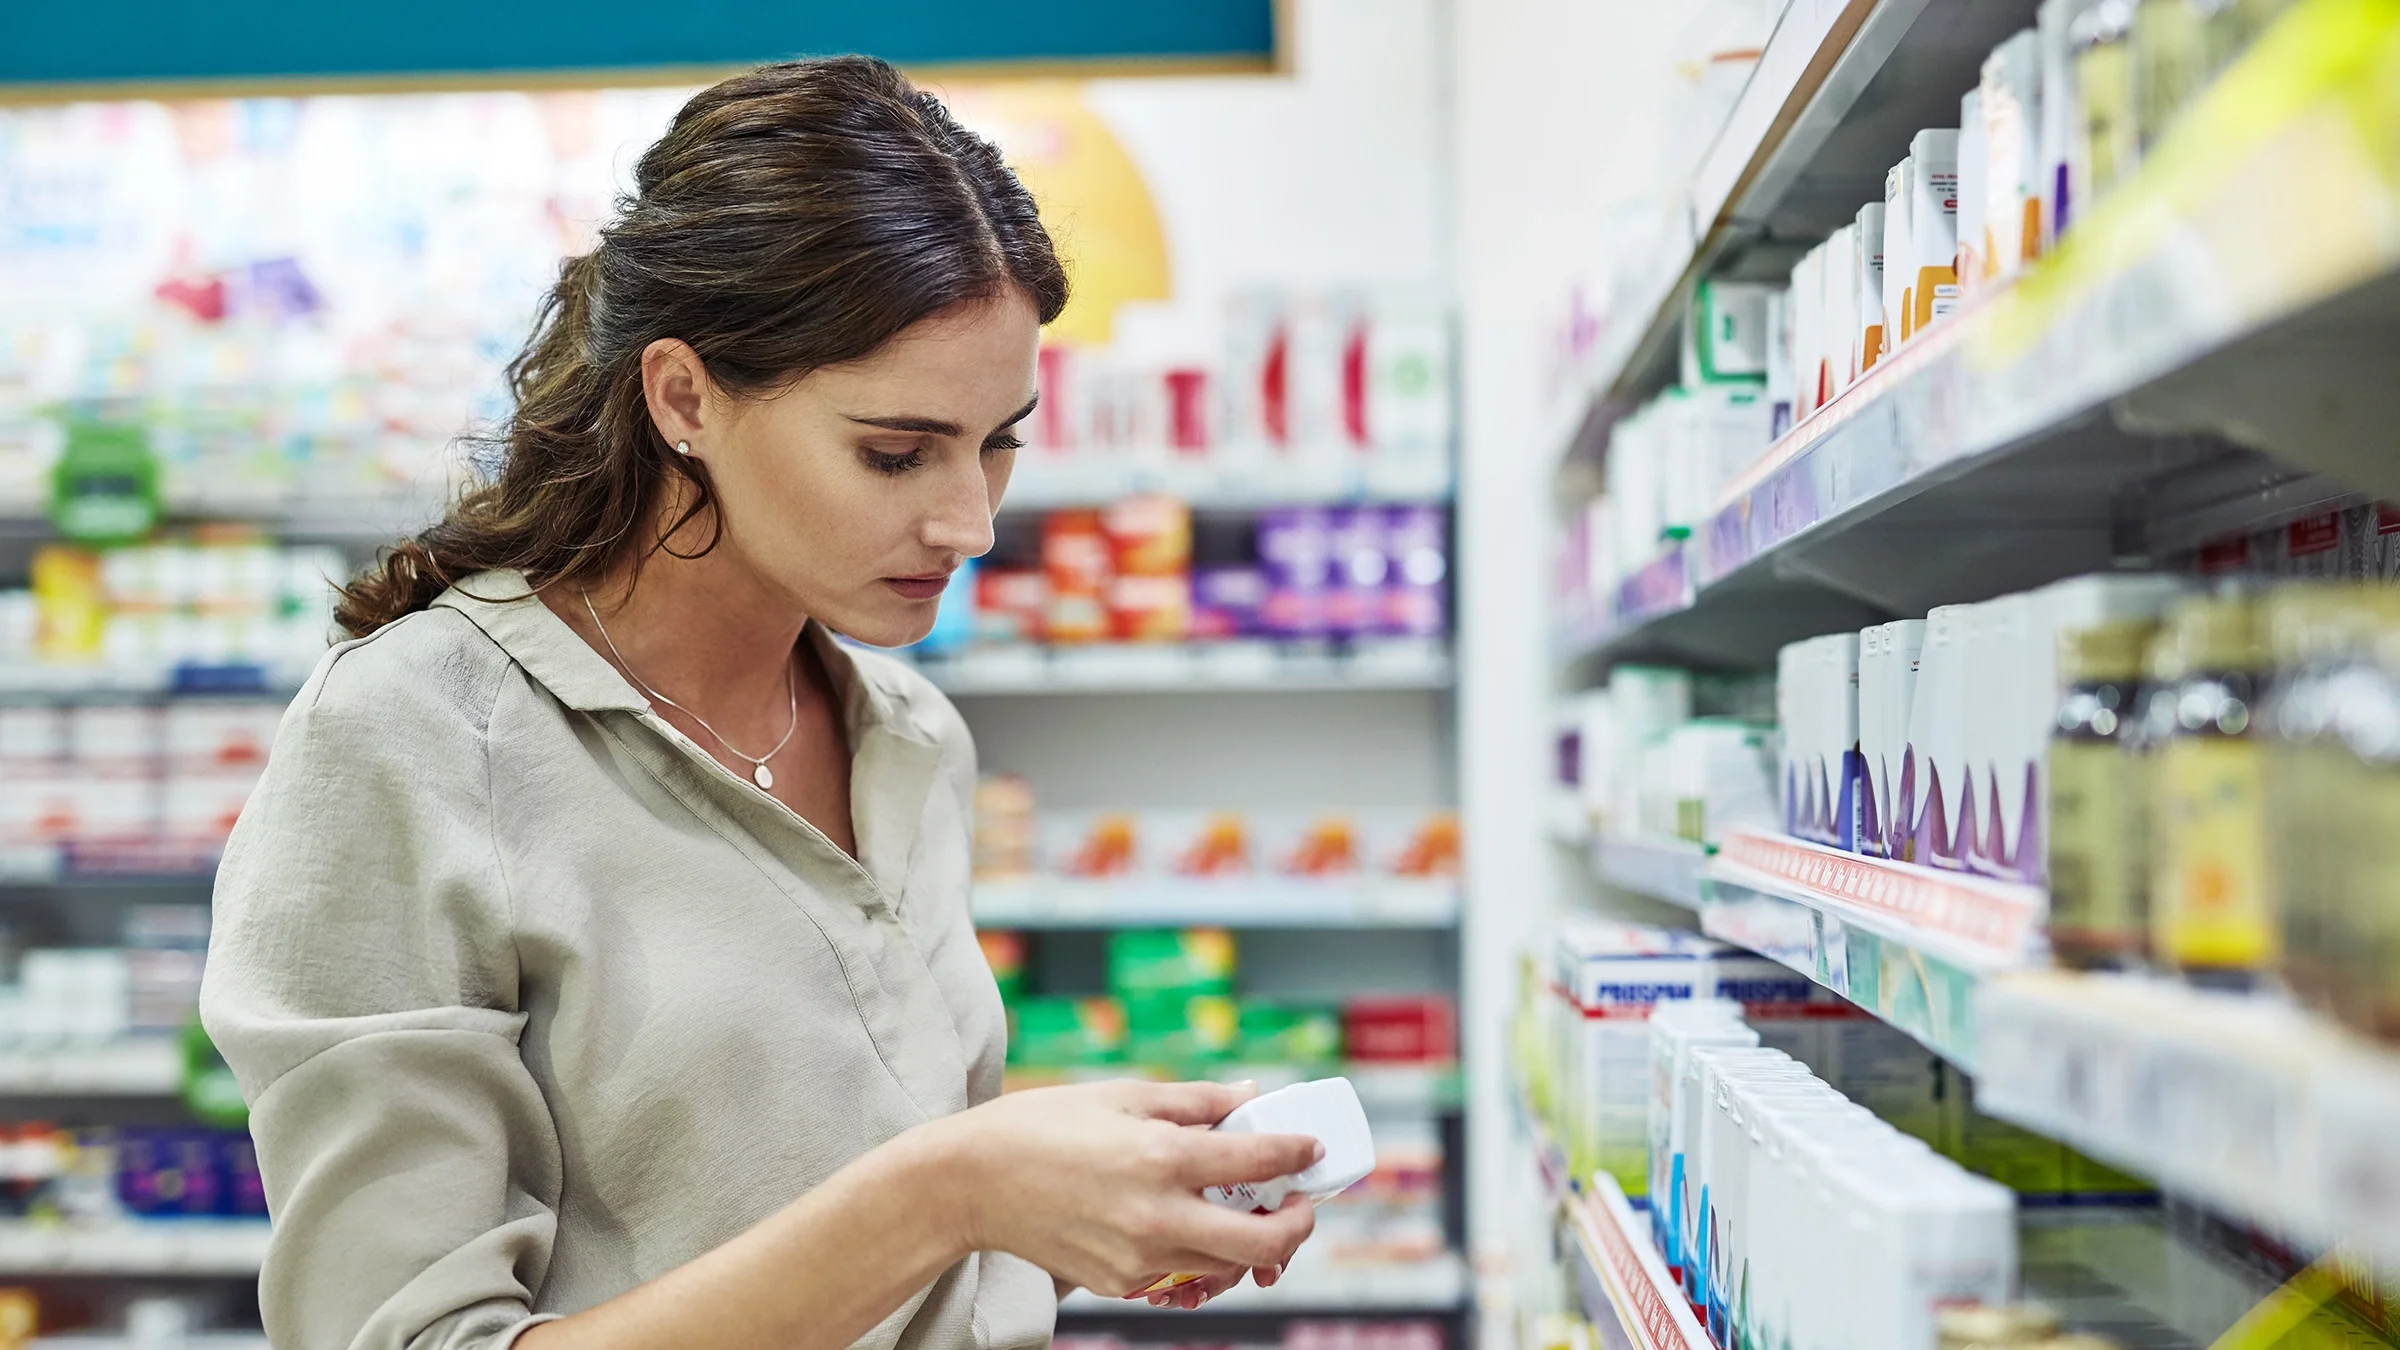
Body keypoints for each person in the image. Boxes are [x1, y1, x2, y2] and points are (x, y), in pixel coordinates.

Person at [199, 56, 1321, 1350]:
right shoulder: (415, 739)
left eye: (998, 438)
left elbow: (844, 1259)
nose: (973, 520)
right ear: (684, 397)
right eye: (895, 451)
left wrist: (1066, 1214)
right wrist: (955, 1189)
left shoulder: (907, 734)